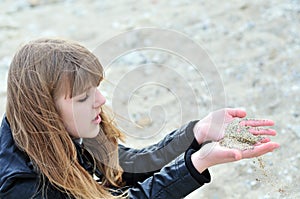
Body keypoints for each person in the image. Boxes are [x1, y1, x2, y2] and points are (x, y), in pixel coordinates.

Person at [0, 38, 279, 199]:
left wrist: (196, 134)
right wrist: (196, 164)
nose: (101, 100)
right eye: (83, 97)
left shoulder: (62, 129)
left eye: (96, 87)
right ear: (45, 111)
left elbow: (124, 169)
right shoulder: (22, 187)